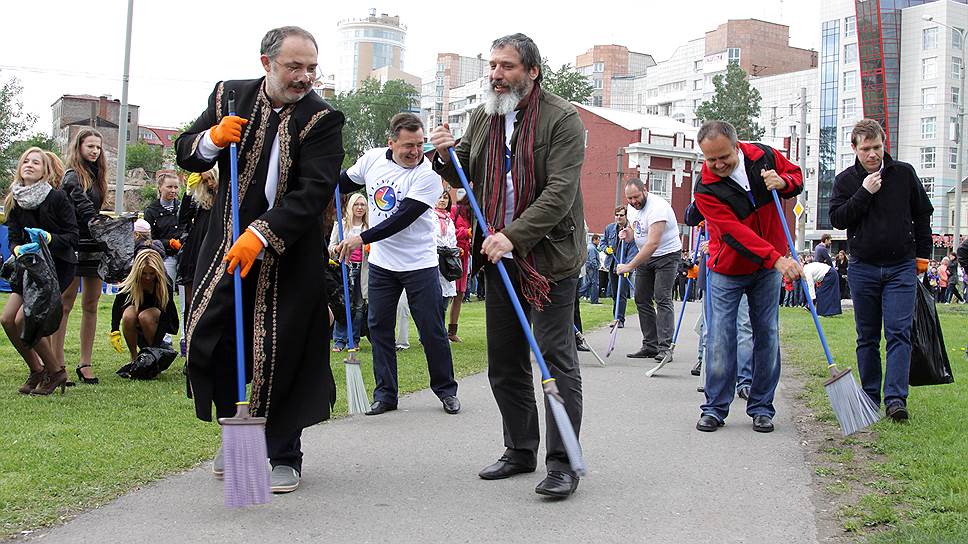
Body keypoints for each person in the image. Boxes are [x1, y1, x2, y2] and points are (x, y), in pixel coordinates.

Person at [175, 25, 345, 493]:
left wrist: (262, 234)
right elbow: (186, 152)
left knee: (284, 347)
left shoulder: (323, 119)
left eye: (311, 67)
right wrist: (211, 138)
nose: (305, 76)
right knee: (215, 338)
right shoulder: (229, 95)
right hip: (226, 246)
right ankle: (238, 436)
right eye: (295, 66)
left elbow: (312, 193)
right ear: (266, 63)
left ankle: (284, 453)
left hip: (289, 252)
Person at [430, 33, 586, 499]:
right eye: (492, 66)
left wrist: (513, 235)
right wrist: (445, 157)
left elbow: (560, 192)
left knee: (554, 358)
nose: (496, 75)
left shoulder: (563, 119)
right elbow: (468, 179)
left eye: (507, 67)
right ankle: (519, 449)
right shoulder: (483, 116)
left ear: (532, 72)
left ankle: (563, 464)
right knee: (505, 360)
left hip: (549, 258)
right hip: (498, 258)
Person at [336, 112, 460, 417]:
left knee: (431, 329)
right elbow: (342, 181)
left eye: (420, 144)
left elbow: (401, 219)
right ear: (391, 142)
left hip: (420, 264)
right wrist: (324, 173)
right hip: (382, 265)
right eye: (408, 145)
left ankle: (446, 390)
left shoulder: (428, 175)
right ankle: (386, 394)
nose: (416, 151)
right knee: (379, 328)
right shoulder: (372, 159)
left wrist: (360, 238)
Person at [693, 120, 803, 434]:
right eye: (710, 159)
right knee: (720, 338)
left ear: (736, 145)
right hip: (728, 269)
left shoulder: (764, 156)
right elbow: (735, 233)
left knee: (766, 333)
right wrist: (776, 259)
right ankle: (714, 408)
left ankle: (762, 408)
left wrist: (783, 183)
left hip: (767, 269)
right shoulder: (706, 187)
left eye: (723, 157)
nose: (717, 165)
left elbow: (796, 175)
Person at [830, 118, 933, 422]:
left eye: (877, 147)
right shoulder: (846, 180)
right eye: (866, 149)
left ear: (884, 144)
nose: (873, 154)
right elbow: (838, 219)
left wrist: (923, 259)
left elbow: (922, 216)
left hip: (901, 266)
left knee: (900, 332)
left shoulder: (903, 173)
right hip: (863, 267)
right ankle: (870, 396)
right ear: (855, 148)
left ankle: (896, 399)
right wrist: (864, 192)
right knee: (867, 336)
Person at [2, 147, 78, 395]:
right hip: (29, 266)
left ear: (45, 171)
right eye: (26, 161)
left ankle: (56, 372)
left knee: (26, 318)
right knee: (7, 319)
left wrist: (48, 238)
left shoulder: (56, 197)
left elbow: (72, 236)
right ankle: (37, 369)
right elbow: (13, 238)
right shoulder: (14, 200)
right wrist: (17, 251)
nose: (29, 164)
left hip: (57, 265)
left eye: (36, 162)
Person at [59, 128, 107, 385]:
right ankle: (58, 364)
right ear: (78, 147)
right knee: (65, 303)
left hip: (94, 243)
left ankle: (85, 363)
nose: (95, 151)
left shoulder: (97, 176)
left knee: (92, 303)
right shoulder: (71, 176)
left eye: (98, 147)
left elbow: (94, 208)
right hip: (73, 242)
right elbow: (83, 206)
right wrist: (99, 223)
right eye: (90, 146)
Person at [616, 177, 682, 361]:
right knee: (641, 298)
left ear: (644, 190)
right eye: (629, 199)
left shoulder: (658, 207)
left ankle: (665, 348)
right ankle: (650, 345)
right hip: (645, 256)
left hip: (666, 255)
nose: (633, 202)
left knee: (662, 297)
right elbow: (635, 227)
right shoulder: (632, 208)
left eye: (636, 197)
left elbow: (653, 243)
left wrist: (629, 266)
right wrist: (628, 233)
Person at [175, 167, 218, 356]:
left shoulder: (228, 197)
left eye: (211, 179)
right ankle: (191, 347)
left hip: (216, 246)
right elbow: (182, 218)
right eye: (206, 180)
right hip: (196, 249)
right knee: (191, 302)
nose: (209, 184)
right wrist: (188, 192)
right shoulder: (201, 199)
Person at [111, 245, 179, 363]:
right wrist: (114, 330)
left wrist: (155, 348)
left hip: (157, 318)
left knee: (145, 317)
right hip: (137, 311)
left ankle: (153, 356)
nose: (148, 277)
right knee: (128, 315)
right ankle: (134, 357)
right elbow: (118, 304)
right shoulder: (130, 278)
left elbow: (165, 316)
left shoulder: (166, 282)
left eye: (152, 274)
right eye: (144, 273)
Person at [328, 192, 368, 351]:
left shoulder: (368, 226)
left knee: (359, 305)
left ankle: (354, 340)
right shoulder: (342, 224)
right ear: (351, 206)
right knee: (343, 304)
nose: (359, 208)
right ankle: (339, 341)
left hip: (363, 269)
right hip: (346, 268)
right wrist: (338, 249)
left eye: (362, 205)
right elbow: (331, 247)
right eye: (356, 204)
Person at [599, 206, 636, 327]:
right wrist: (606, 249)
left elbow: (633, 249)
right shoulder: (609, 228)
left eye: (621, 215)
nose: (619, 217)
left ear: (626, 216)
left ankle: (620, 320)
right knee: (614, 293)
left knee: (621, 294)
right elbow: (602, 242)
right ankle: (615, 318)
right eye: (617, 215)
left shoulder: (630, 231)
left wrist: (628, 266)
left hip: (624, 266)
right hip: (612, 264)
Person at [143, 173, 183, 283]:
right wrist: (168, 243)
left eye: (176, 187)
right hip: (164, 257)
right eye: (169, 187)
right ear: (160, 187)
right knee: (166, 288)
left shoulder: (182, 207)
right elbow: (148, 239)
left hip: (184, 256)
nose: (173, 190)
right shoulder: (151, 211)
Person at [448, 191, 473, 342]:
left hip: (465, 258)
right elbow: (448, 232)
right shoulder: (455, 210)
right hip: (451, 257)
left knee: (460, 294)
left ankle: (452, 331)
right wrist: (466, 232)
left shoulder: (474, 214)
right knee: (445, 294)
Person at [434, 190, 459, 322]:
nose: (443, 200)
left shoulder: (449, 219)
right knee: (433, 300)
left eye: (445, 198)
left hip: (448, 261)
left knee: (444, 301)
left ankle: (441, 332)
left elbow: (452, 240)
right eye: (440, 197)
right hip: (435, 259)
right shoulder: (430, 216)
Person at [581, 234, 601, 303]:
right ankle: (594, 300)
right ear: (594, 240)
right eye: (598, 240)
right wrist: (596, 267)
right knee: (594, 283)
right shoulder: (592, 248)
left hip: (589, 267)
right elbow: (593, 259)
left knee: (589, 283)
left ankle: (580, 295)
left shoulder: (590, 247)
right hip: (592, 268)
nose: (599, 242)